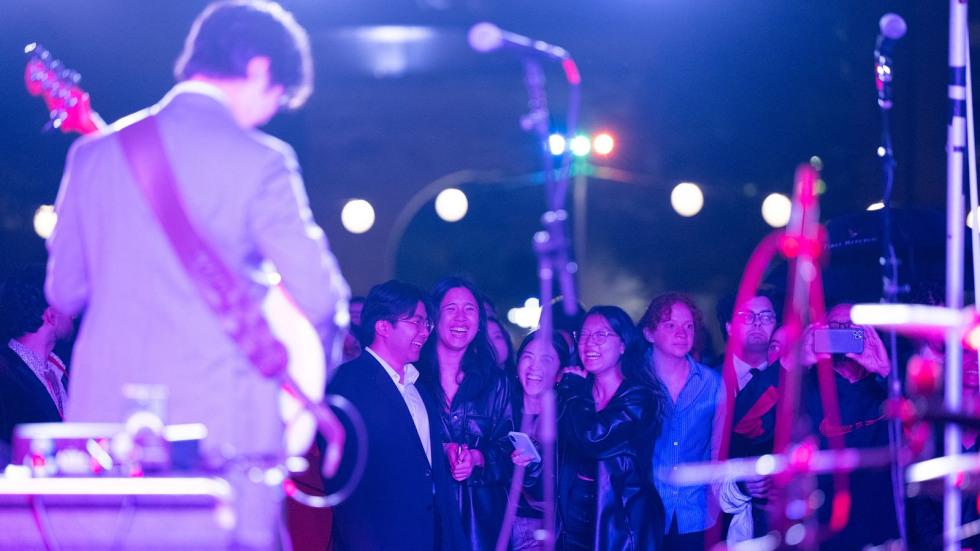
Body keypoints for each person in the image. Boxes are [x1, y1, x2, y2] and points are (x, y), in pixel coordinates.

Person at [44, 2, 349, 548]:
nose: (271, 112)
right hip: (223, 440)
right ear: (259, 68)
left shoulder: (90, 157)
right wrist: (297, 408)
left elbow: (62, 292)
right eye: (277, 96)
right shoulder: (263, 160)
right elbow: (323, 300)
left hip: (107, 443)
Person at [326, 281, 466, 550]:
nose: (425, 332)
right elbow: (345, 487)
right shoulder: (348, 384)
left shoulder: (418, 387)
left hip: (429, 536)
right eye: (417, 322)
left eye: (427, 324)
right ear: (383, 326)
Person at [557, 305, 666, 551]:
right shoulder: (578, 392)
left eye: (601, 335)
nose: (589, 343)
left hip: (621, 528)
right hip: (572, 525)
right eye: (583, 335)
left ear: (623, 345)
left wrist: (574, 392)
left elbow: (593, 438)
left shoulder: (639, 398)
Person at [418, 276, 515, 551]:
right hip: (425, 517)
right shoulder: (412, 378)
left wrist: (477, 457)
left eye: (469, 309)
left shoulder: (498, 384)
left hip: (483, 525)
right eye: (451, 308)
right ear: (433, 316)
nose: (461, 317)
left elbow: (512, 451)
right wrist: (441, 449)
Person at [799, 303, 898, 550]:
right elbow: (753, 427)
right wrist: (794, 367)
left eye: (851, 328)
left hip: (878, 527)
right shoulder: (807, 385)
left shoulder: (884, 388)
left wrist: (886, 371)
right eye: (834, 328)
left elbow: (921, 420)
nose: (842, 333)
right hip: (824, 525)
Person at [640, 293, 724, 550]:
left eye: (688, 326)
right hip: (644, 510)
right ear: (649, 333)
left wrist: (716, 503)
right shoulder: (634, 379)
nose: (682, 333)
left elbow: (719, 449)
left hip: (696, 513)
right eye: (670, 325)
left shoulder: (711, 383)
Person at [715, 292, 781, 544]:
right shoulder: (710, 381)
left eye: (766, 316)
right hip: (723, 523)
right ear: (730, 327)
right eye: (747, 316)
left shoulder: (792, 381)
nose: (757, 322)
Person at [0, 264, 75, 466]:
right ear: (50, 314)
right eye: (66, 306)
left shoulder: (65, 373)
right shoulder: (4, 372)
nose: (74, 314)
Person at [509, 330, 572, 550]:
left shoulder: (566, 418)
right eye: (527, 356)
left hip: (543, 529)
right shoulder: (502, 409)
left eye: (546, 359)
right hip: (498, 522)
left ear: (560, 374)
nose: (534, 366)